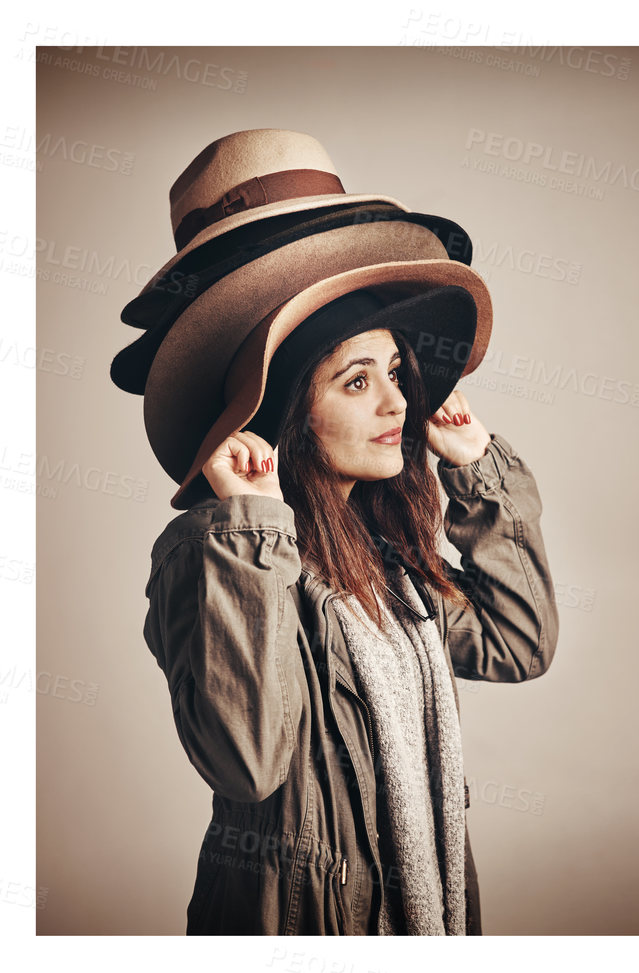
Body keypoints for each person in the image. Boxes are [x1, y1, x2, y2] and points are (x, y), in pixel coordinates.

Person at [119, 129, 554, 934]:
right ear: (289, 416)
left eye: (395, 373)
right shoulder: (215, 557)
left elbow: (518, 642)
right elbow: (245, 765)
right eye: (358, 380)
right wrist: (247, 528)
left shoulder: (387, 564)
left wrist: (480, 470)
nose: (398, 403)